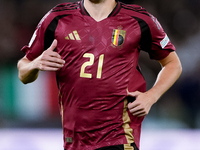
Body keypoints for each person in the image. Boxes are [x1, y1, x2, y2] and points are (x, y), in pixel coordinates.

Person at [17, 0, 182, 149]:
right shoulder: (57, 18)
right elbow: (23, 71)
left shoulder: (139, 20)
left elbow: (173, 64)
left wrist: (151, 96)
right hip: (73, 139)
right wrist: (35, 64)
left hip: (119, 135)